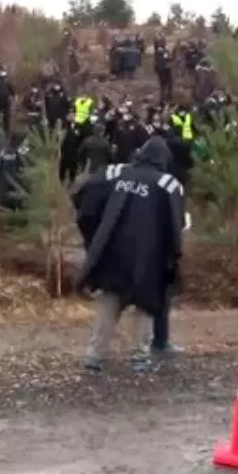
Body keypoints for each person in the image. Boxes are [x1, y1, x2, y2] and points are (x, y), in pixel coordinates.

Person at [73, 137, 185, 373]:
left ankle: (95, 355)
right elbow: (175, 224)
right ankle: (139, 357)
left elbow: (87, 197)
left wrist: (94, 236)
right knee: (145, 305)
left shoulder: (116, 173)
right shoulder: (166, 183)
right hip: (148, 255)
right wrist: (173, 257)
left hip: (112, 250)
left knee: (109, 301)